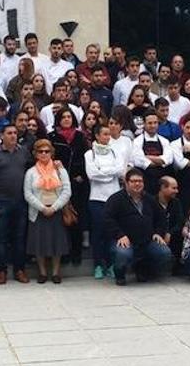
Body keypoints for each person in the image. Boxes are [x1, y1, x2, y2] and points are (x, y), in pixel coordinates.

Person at [104, 168, 172, 286]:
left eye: (140, 181)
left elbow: (161, 218)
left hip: (147, 240)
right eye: (134, 181)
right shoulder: (116, 199)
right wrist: (120, 235)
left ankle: (143, 270)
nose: (137, 184)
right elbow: (107, 219)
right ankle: (120, 273)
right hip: (124, 240)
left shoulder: (150, 199)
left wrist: (158, 232)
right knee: (123, 254)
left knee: (164, 253)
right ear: (126, 182)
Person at [0, 124, 32, 284]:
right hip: (1, 202)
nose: (13, 136)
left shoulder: (24, 152)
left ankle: (19, 270)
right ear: (2, 135)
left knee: (20, 238)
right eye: (9, 133)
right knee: (1, 238)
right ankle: (1, 270)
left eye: (15, 133)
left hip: (20, 202)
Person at [24, 139, 72, 284]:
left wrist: (54, 207)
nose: (44, 154)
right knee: (39, 243)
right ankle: (43, 272)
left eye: (47, 151)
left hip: (56, 210)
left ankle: (56, 272)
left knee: (56, 243)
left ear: (51, 153)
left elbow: (67, 190)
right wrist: (43, 208)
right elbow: (28, 194)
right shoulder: (30, 172)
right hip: (39, 211)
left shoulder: (60, 170)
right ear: (35, 154)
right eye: (41, 151)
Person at [47, 107, 89, 265]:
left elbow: (86, 159)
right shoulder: (52, 137)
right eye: (63, 117)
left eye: (69, 117)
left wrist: (80, 176)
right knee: (61, 219)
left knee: (76, 217)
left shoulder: (80, 136)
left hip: (77, 184)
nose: (66, 119)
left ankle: (76, 253)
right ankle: (63, 253)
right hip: (57, 183)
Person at [85, 124, 126, 279]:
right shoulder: (90, 154)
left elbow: (120, 171)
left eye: (109, 134)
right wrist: (109, 174)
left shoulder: (116, 152)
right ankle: (98, 265)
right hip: (96, 198)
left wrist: (103, 172)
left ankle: (110, 264)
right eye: (104, 134)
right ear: (97, 136)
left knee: (111, 233)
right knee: (98, 233)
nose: (107, 137)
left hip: (113, 198)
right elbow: (91, 174)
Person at [132, 111, 174, 195]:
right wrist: (160, 160)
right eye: (150, 123)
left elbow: (168, 160)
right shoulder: (137, 141)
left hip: (162, 184)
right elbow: (139, 161)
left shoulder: (164, 141)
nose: (153, 126)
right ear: (144, 124)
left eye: (155, 123)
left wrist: (147, 157)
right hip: (145, 183)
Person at [155, 176, 185, 272]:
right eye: (174, 188)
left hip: (172, 236)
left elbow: (180, 222)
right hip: (156, 236)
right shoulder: (151, 202)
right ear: (163, 188)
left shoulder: (176, 203)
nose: (177, 191)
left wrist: (169, 233)